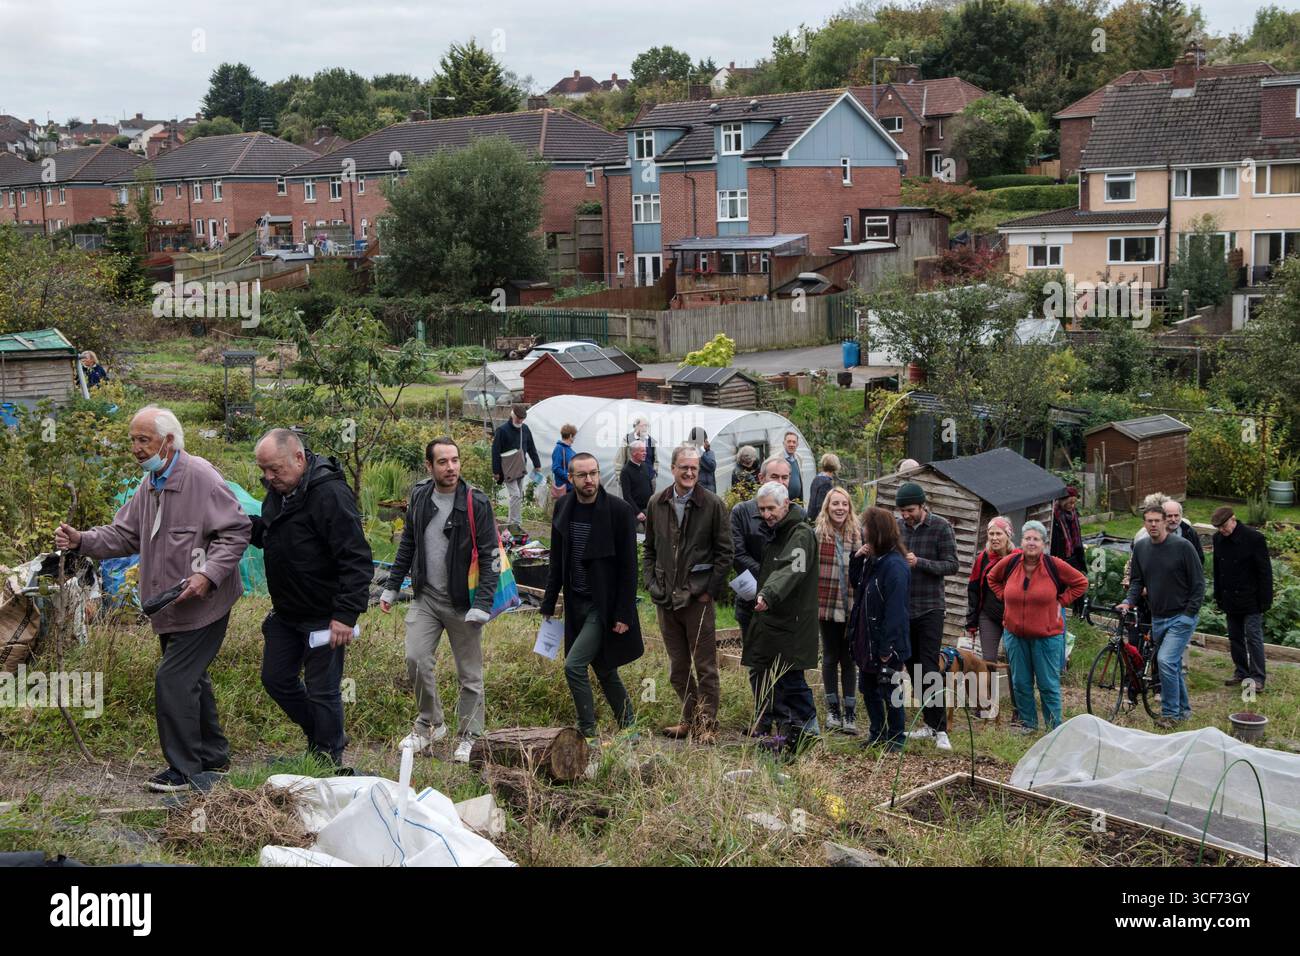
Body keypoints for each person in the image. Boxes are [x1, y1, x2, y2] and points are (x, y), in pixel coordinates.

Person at [56, 406, 251, 792]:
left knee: (173, 679)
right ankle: (214, 757)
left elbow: (237, 531)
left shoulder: (200, 477)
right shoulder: (150, 485)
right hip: (167, 605)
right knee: (192, 679)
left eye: (143, 440)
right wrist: (82, 540)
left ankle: (185, 771)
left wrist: (208, 574)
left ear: (168, 442)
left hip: (205, 603)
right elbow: (123, 535)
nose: (135, 448)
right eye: (132, 439)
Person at [251, 429, 372, 771]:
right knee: (276, 679)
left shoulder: (329, 494)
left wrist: (346, 614)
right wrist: (242, 527)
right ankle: (322, 736)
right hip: (287, 612)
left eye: (274, 469)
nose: (268, 477)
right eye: (264, 470)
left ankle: (328, 760)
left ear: (299, 459)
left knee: (323, 690)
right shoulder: (278, 492)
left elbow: (356, 557)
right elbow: (274, 533)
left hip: (324, 614)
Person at [381, 437, 500, 763]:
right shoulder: (420, 495)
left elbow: (491, 556)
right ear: (429, 466)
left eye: (455, 460)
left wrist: (483, 604)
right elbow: (408, 542)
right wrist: (392, 586)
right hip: (426, 598)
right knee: (416, 658)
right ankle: (430, 725)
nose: (451, 468)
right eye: (443, 462)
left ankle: (469, 737)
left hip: (464, 603)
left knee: (470, 675)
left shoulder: (476, 502)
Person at [541, 453, 643, 740]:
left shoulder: (618, 511)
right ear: (570, 479)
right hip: (577, 602)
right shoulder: (564, 507)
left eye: (594, 473)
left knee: (574, 666)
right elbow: (557, 561)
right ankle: (630, 729)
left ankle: (588, 732)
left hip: (604, 605)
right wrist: (549, 602)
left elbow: (629, 568)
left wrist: (624, 613)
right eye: (583, 475)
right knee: (604, 667)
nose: (590, 480)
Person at [642, 443, 733, 743]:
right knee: (677, 668)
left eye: (694, 467)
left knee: (705, 665)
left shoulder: (712, 505)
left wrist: (708, 591)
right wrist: (652, 585)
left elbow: (725, 554)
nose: (690, 472)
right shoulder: (658, 502)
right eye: (685, 467)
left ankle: (707, 725)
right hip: (666, 598)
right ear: (673, 469)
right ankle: (690, 719)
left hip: (697, 599)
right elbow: (649, 549)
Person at [988, 521, 1088, 732]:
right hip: (1015, 635)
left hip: (1047, 636)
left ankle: (1054, 728)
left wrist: (1062, 600)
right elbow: (992, 578)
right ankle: (1028, 723)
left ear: (1043, 543)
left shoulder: (1054, 565)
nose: (1031, 543)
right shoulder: (1011, 562)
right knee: (1021, 683)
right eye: (1027, 538)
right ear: (1021, 541)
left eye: (1036, 539)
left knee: (1047, 684)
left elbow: (1081, 582)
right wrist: (1003, 595)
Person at [746, 482, 821, 755]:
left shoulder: (800, 534)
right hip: (776, 621)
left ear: (786, 505)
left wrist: (768, 593)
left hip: (793, 623)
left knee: (792, 681)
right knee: (777, 680)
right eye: (762, 509)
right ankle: (788, 738)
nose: (767, 514)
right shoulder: (777, 532)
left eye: (772, 508)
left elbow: (792, 567)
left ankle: (809, 734)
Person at [1118, 503, 1204, 728]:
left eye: (1158, 520)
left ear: (1166, 522)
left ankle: (1170, 714)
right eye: (1149, 521)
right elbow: (1137, 581)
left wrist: (1189, 614)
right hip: (1158, 616)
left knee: (1164, 660)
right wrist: (1128, 601)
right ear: (1144, 523)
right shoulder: (1142, 548)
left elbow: (1198, 584)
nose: (1153, 524)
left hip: (1181, 617)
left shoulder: (1183, 547)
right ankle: (1184, 711)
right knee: (1171, 664)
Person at [895, 481, 959, 751]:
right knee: (912, 668)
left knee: (929, 667)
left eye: (910, 510)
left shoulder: (941, 526)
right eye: (902, 511)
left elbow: (952, 565)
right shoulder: (897, 528)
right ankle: (929, 725)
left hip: (931, 607)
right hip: (904, 607)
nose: (906, 515)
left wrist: (919, 562)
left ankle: (942, 729)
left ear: (922, 506)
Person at [848, 506, 912, 751]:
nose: (862, 530)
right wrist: (858, 559)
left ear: (877, 532)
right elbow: (857, 585)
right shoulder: (873, 560)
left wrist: (887, 647)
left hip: (886, 643)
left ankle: (896, 738)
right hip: (867, 639)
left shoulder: (895, 566)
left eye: (865, 526)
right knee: (868, 689)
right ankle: (877, 734)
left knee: (890, 690)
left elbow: (896, 612)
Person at [730, 456, 803, 647]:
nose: (781, 482)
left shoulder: (798, 515)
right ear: (761, 478)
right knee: (757, 664)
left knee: (786, 667)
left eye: (785, 477)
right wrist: (772, 576)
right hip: (752, 601)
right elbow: (737, 555)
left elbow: (800, 560)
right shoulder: (742, 512)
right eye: (775, 477)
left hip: (786, 603)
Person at [1211, 505, 1271, 692]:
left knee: (1253, 637)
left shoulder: (1254, 538)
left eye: (1224, 526)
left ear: (1233, 519)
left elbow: (1264, 571)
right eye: (1219, 528)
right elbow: (1217, 570)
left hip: (1251, 597)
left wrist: (1265, 599)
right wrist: (1219, 595)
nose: (1223, 530)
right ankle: (1241, 672)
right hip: (1229, 597)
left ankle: (1257, 677)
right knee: (1235, 637)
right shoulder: (1218, 539)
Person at [816, 486, 861, 733]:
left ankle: (850, 713)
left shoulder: (858, 534)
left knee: (849, 659)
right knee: (831, 656)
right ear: (827, 507)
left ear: (849, 507)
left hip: (852, 606)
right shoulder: (819, 534)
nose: (840, 508)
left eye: (844, 504)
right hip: (827, 604)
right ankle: (833, 709)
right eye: (835, 504)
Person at [491, 403, 542, 532]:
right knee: (515, 495)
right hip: (507, 469)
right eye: (518, 418)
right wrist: (496, 471)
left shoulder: (525, 429)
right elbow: (495, 451)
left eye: (522, 418)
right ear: (512, 414)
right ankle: (515, 522)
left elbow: (531, 447)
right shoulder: (502, 430)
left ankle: (512, 521)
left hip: (520, 467)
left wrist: (537, 464)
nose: (520, 420)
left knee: (518, 495)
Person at [1050, 486, 1087, 616]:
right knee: (1058, 588)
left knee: (1079, 582)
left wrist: (1081, 560)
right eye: (1069, 502)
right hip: (1059, 557)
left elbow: (1077, 539)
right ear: (1061, 501)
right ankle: (1057, 612)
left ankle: (1079, 615)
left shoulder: (1073, 515)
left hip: (1073, 555)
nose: (1072, 505)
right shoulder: (1054, 517)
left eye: (1074, 502)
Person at [619, 440, 653, 522]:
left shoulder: (644, 466)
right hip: (636, 513)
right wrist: (637, 512)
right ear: (634, 453)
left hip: (648, 509)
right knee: (639, 533)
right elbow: (626, 495)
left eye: (645, 451)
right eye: (642, 451)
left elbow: (649, 485)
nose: (645, 453)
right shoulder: (625, 471)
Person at [1163, 499, 1205, 564]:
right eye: (1169, 516)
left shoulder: (1190, 532)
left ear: (1181, 515)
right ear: (1162, 517)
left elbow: (1199, 558)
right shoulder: (1155, 534)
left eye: (1176, 515)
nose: (1173, 520)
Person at [806, 453, 840, 523]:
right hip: (819, 520)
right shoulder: (826, 483)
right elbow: (821, 505)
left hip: (811, 515)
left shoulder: (817, 478)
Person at [626, 417, 657, 489]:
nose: (645, 428)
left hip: (650, 478)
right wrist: (620, 478)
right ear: (636, 426)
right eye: (642, 426)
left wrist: (654, 472)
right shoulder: (628, 439)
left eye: (646, 426)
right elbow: (620, 459)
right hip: (632, 479)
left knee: (650, 499)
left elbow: (655, 459)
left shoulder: (650, 440)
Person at [550, 423, 577, 497]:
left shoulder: (570, 450)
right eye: (574, 436)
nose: (575, 438)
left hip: (571, 487)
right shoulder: (559, 448)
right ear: (571, 436)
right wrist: (569, 478)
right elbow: (556, 468)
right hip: (565, 488)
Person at [689, 426, 716, 494]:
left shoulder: (705, 453)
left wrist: (708, 450)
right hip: (699, 492)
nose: (706, 440)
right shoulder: (691, 454)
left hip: (709, 492)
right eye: (704, 438)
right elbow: (711, 466)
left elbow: (712, 466)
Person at [781, 431, 804, 503]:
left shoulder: (799, 458)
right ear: (784, 443)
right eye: (789, 441)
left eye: (794, 442)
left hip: (797, 502)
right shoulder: (777, 459)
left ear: (797, 444)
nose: (791, 444)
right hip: (782, 502)